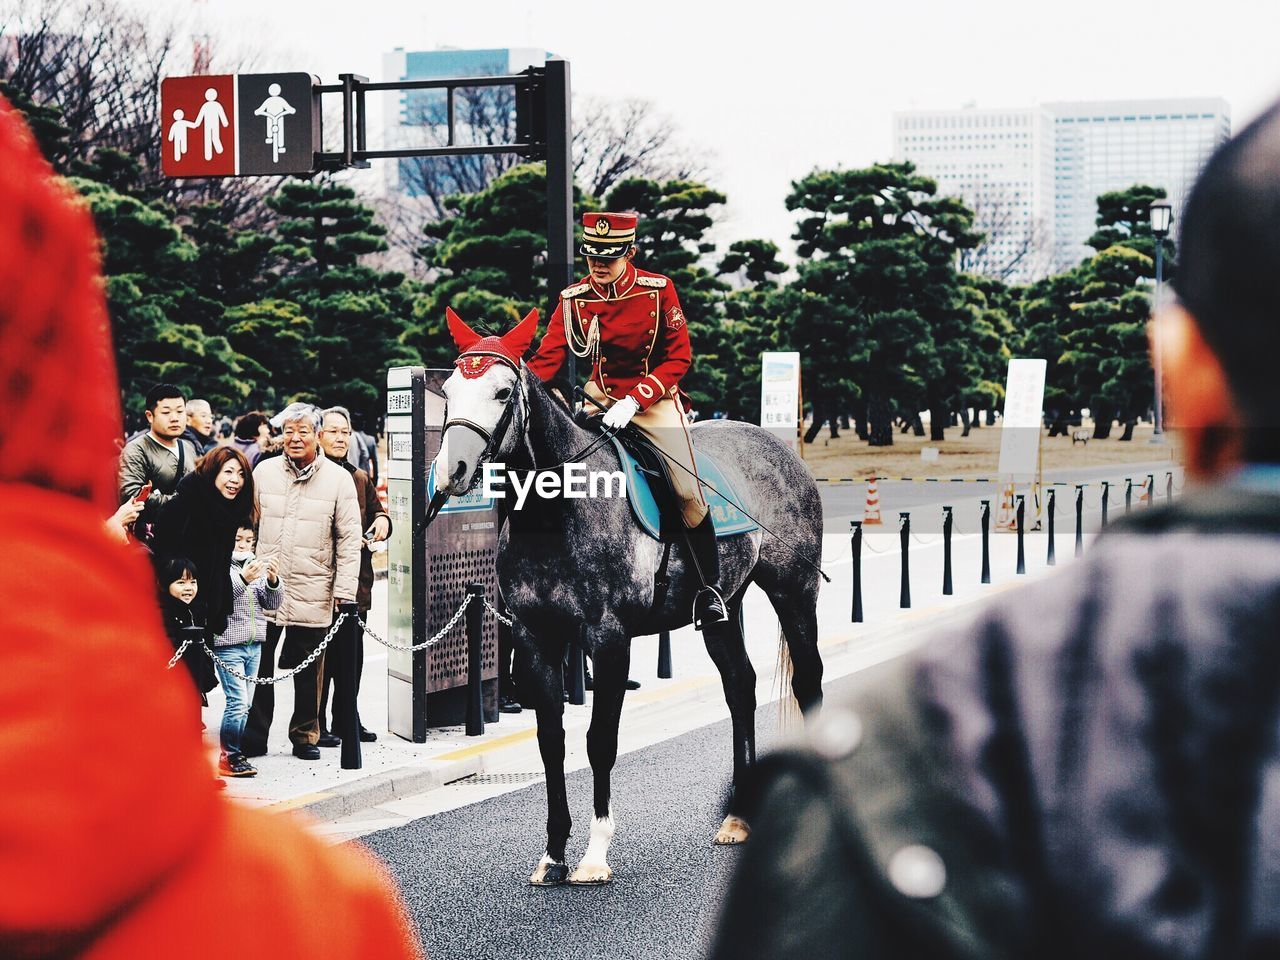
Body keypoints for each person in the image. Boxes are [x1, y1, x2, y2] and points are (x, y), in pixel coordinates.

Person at [710, 102, 1280, 959]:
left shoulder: (908, 745)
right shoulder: (591, 297)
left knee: (690, 485)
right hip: (613, 398)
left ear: (1182, 369)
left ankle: (703, 554)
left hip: (655, 402)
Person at [0, 94, 422, 959]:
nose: (304, 440)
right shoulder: (305, 914)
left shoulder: (338, 475)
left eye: (317, 431)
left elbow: (357, 529)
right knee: (254, 682)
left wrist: (344, 585)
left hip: (303, 591)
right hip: (256, 593)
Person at [528, 210, 727, 629]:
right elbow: (546, 359)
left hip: (652, 401)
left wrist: (635, 400)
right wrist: (513, 381)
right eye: (592, 256)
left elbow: (679, 357)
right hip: (599, 399)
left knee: (688, 492)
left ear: (630, 252)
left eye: (609, 257)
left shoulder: (658, 290)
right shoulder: (573, 299)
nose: (598, 265)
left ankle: (711, 590)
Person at [241, 402, 361, 762]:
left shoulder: (339, 480)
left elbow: (349, 538)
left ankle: (305, 735)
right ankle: (256, 733)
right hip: (267, 584)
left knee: (309, 668)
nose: (295, 438)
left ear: (318, 435)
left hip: (314, 584)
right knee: (259, 663)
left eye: (303, 431)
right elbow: (248, 523)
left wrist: (344, 590)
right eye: (288, 431)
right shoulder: (263, 472)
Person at [316, 405, 390, 745]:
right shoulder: (311, 475)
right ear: (319, 436)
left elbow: (380, 515)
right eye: (333, 431)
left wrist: (381, 525)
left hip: (355, 584)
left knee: (351, 661)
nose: (341, 438)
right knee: (320, 662)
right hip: (318, 585)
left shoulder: (359, 478)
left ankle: (348, 718)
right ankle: (315, 724)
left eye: (345, 432)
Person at [150, 446, 258, 639]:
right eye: (228, 472)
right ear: (212, 472)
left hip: (207, 613)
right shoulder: (181, 506)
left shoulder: (229, 513)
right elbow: (163, 560)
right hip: (179, 613)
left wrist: (220, 608)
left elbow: (221, 567)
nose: (236, 480)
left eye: (241, 474)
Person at [214, 525, 282, 777]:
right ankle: (229, 754)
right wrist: (244, 578)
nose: (243, 545)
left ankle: (235, 752)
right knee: (237, 702)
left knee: (247, 704)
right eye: (238, 539)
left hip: (254, 644)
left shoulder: (256, 566)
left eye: (249, 540)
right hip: (229, 644)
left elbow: (272, 603)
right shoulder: (221, 566)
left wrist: (274, 580)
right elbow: (221, 598)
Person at [117, 383, 196, 537]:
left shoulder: (188, 448)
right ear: (149, 416)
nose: (174, 418)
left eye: (180, 411)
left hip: (185, 536)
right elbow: (131, 496)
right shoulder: (136, 449)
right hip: (150, 538)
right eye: (166, 412)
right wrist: (183, 501)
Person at [156, 556, 218, 706]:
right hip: (171, 681)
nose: (189, 587)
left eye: (193, 582)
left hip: (192, 680)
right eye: (181, 583)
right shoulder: (161, 612)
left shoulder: (195, 609)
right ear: (165, 585)